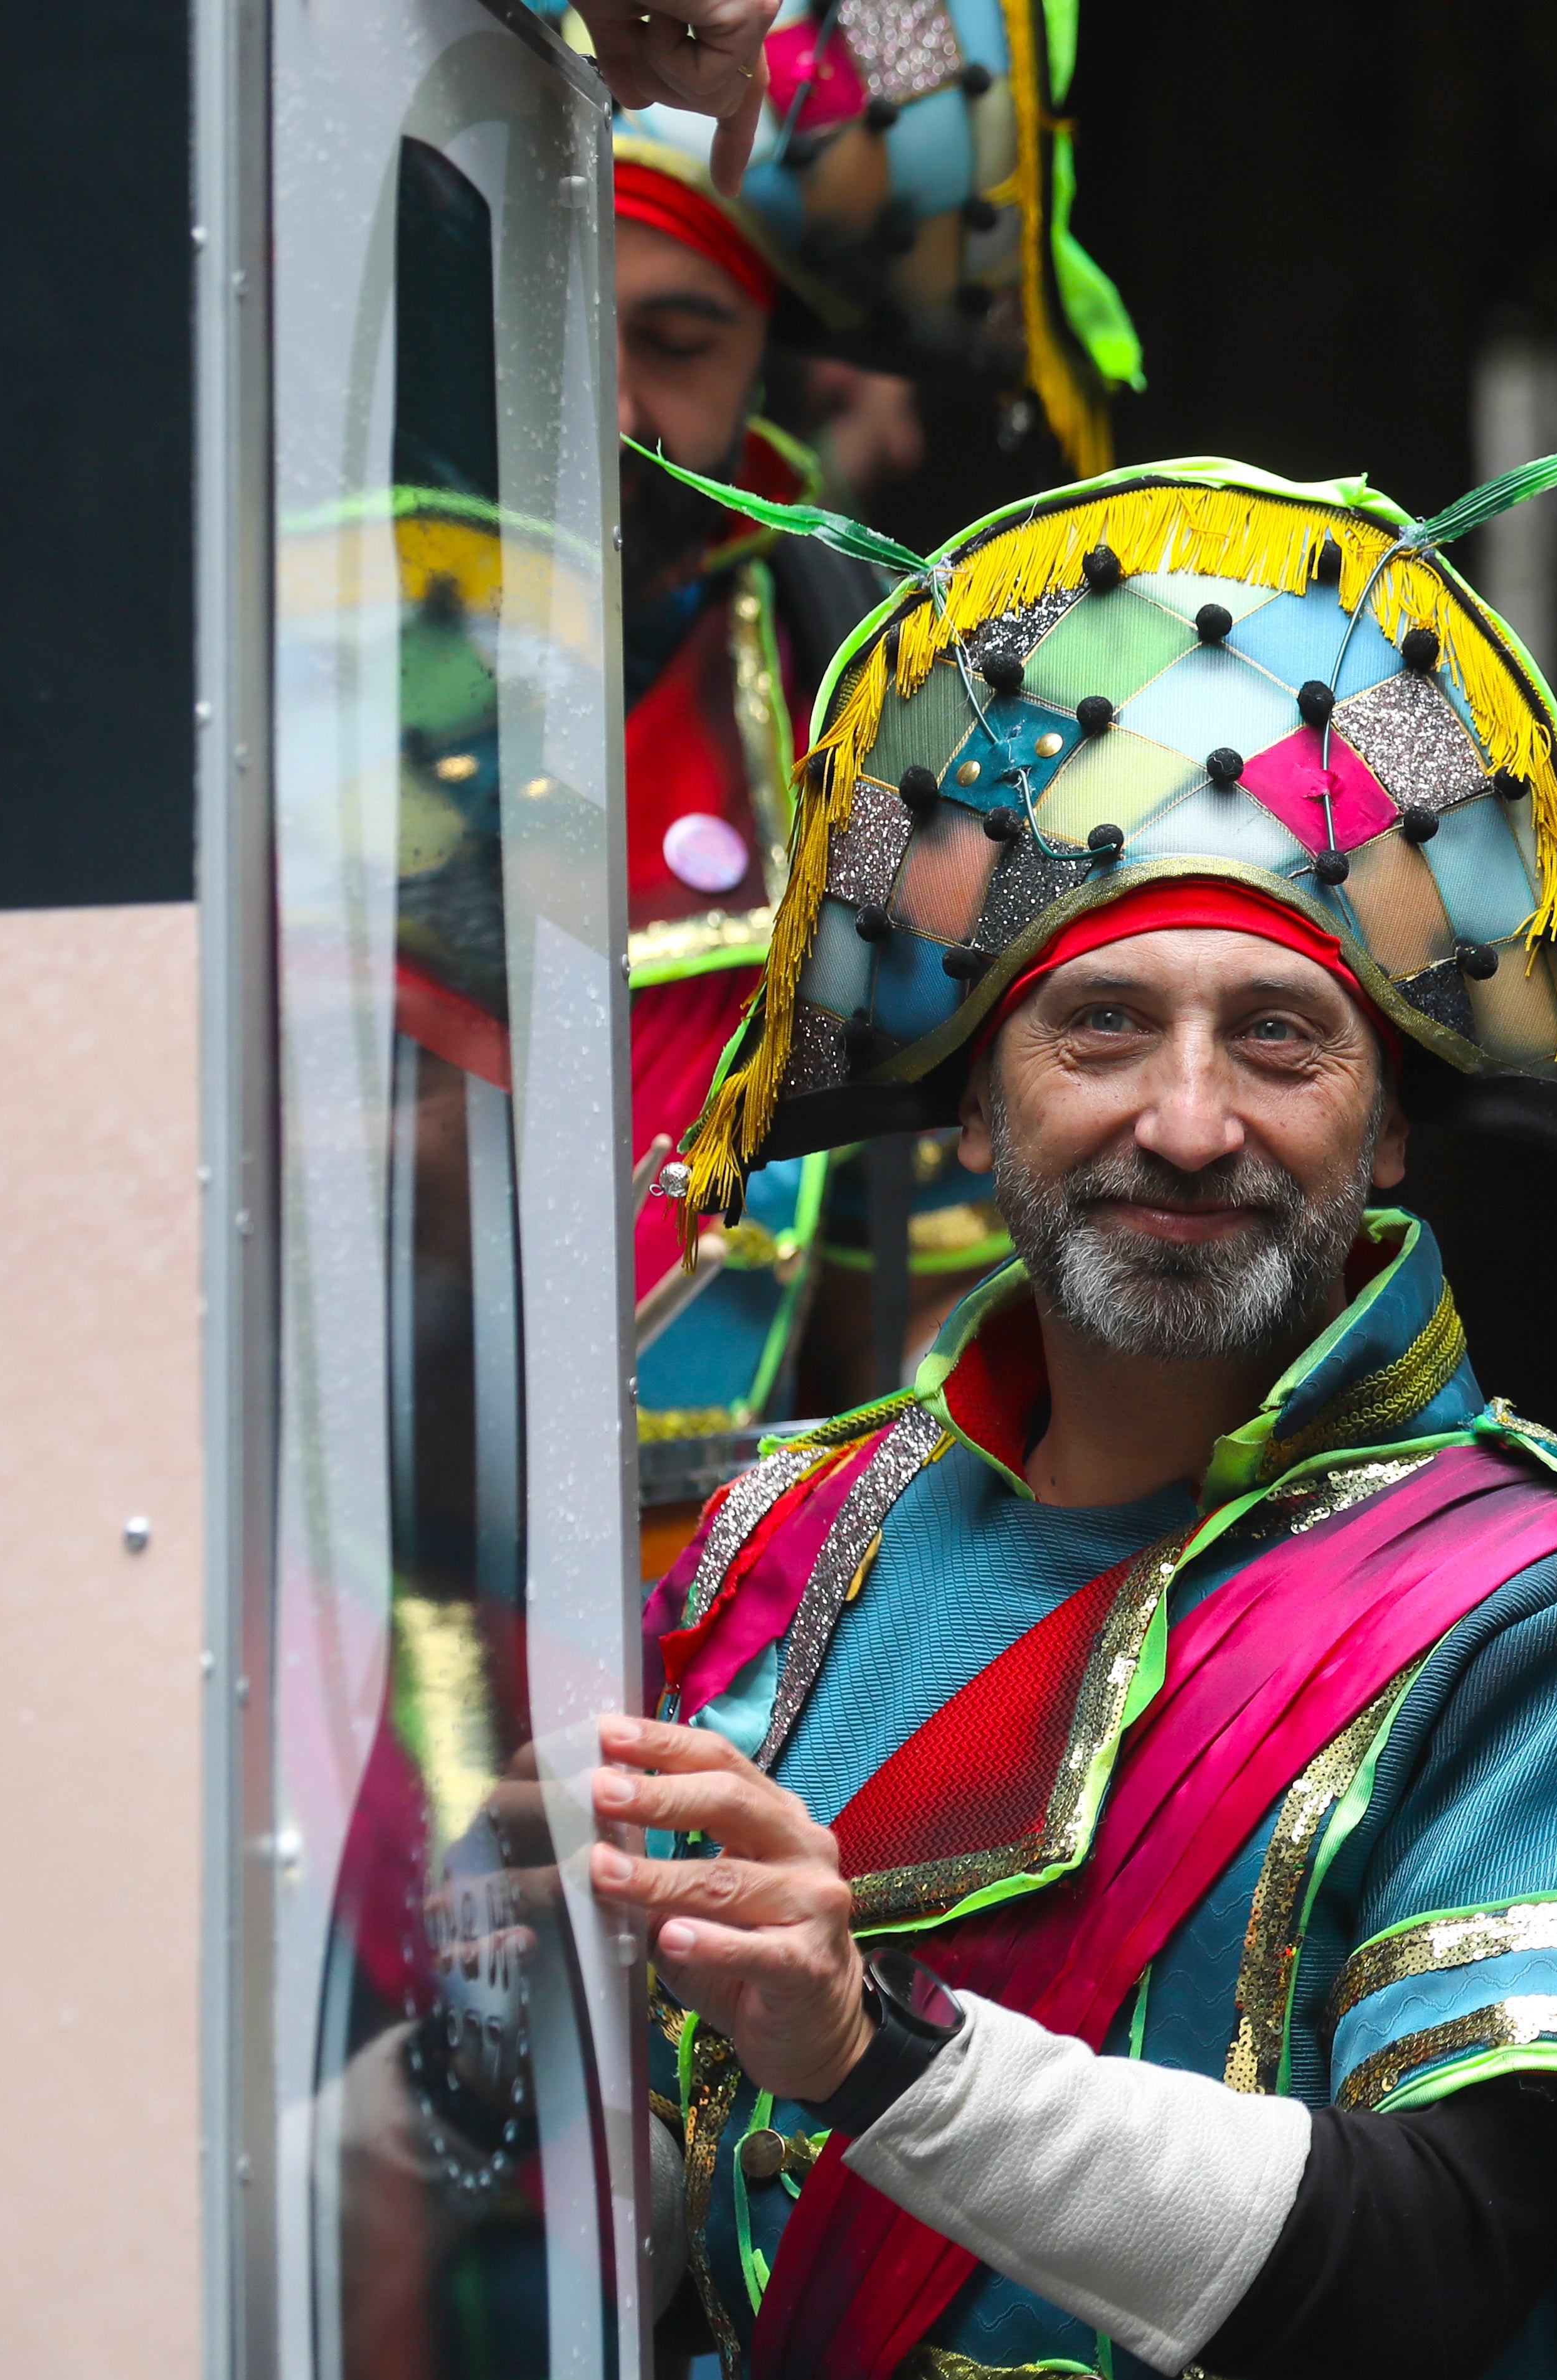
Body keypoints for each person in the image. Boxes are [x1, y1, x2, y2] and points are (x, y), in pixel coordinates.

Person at [599, 441, 1557, 2380]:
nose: (1185, 1119)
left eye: (1278, 1039)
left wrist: (865, 2037)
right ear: (981, 1099)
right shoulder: (764, 1539)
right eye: (1100, 1024)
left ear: (1386, 1117)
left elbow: (1423, 2277)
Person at [597, 0, 1142, 1453]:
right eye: (562, 329)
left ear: (763, 353)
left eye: (678, 339)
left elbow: (943, 1307)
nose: (617, 405)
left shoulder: (895, 706)